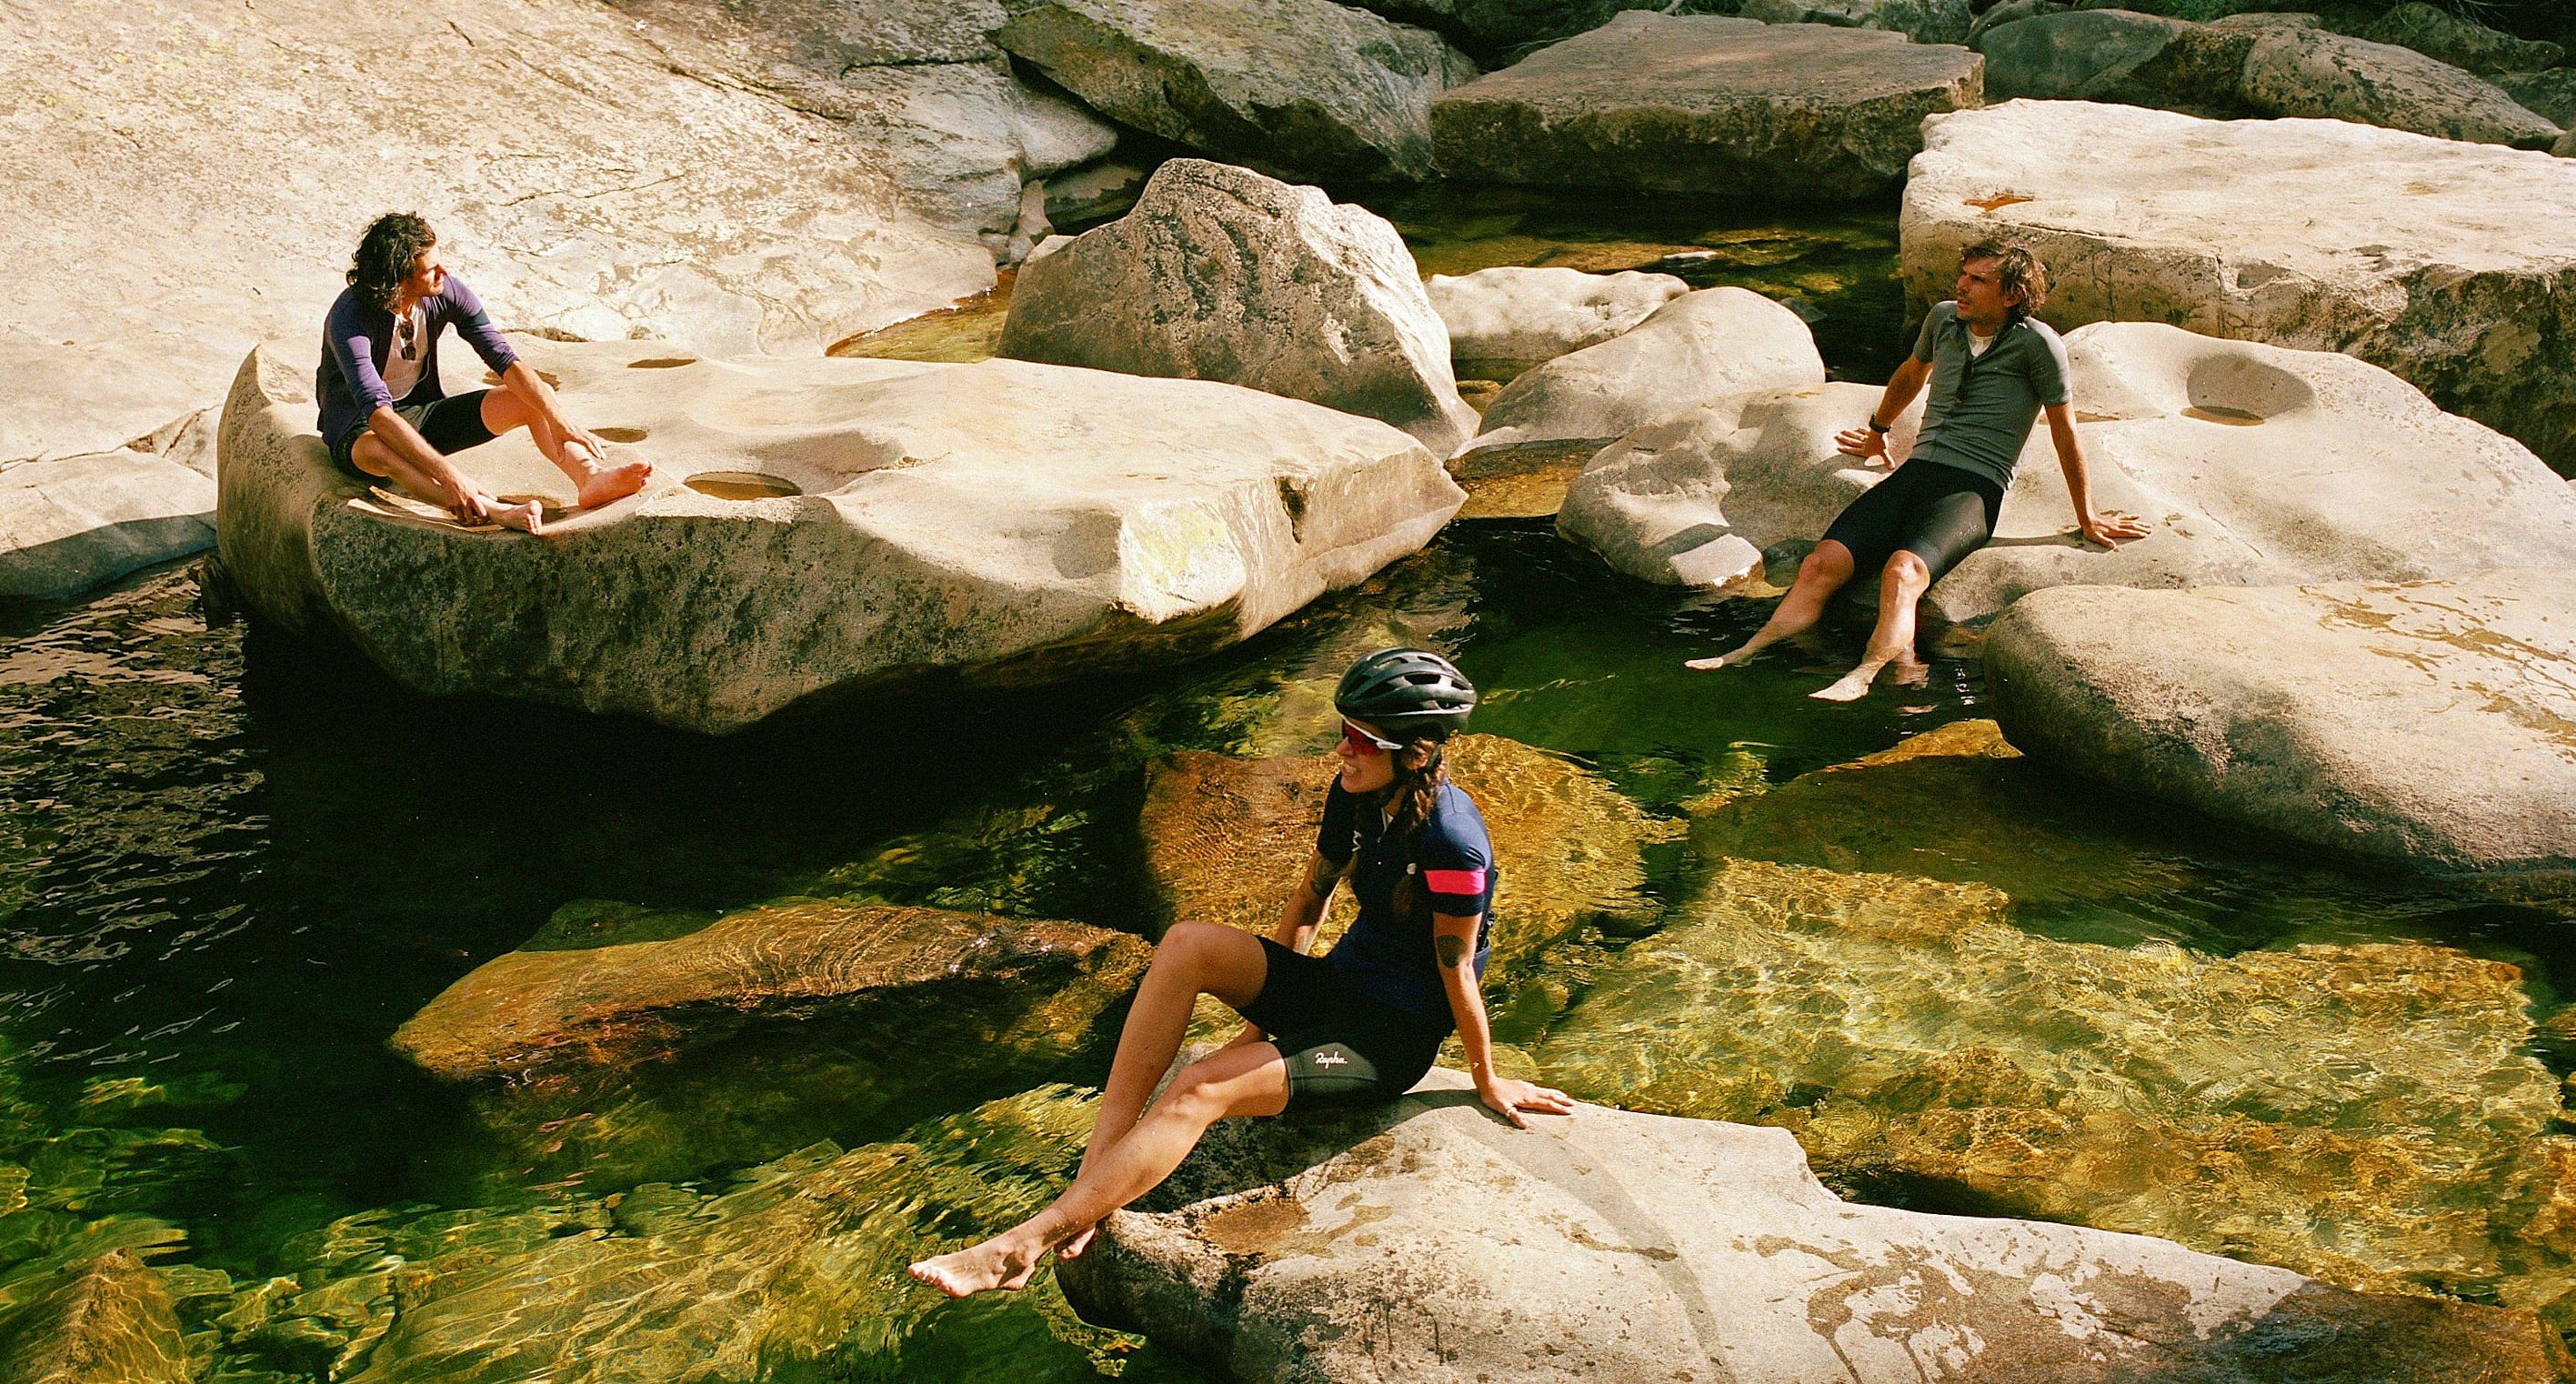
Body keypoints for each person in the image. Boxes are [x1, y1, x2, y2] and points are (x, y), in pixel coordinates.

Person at [911, 648, 1576, 1299]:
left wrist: (1487, 1080)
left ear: (1417, 754)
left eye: (1360, 740)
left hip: (1383, 1042)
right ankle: (1094, 1178)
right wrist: (1262, 1021)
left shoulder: (1453, 846)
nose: (1342, 750)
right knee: (1187, 943)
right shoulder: (1355, 795)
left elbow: (1457, 974)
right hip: (1334, 990)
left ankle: (1018, 1246)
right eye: (1342, 732)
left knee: (1201, 1087)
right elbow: (1310, 904)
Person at [1688, 239, 2148, 702]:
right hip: (1916, 471)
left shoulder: (2038, 345)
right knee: (1819, 563)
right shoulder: (1944, 319)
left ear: (2011, 295)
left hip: (1974, 487)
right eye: (1963, 274)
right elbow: (1912, 373)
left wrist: (2086, 516)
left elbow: (2064, 430)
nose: (1961, 286)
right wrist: (1877, 431)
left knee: (1902, 572)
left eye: (1978, 280)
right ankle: (1749, 648)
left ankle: (1864, 674)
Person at [315, 212, 651, 535]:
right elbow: (377, 413)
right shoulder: (350, 319)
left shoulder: (446, 292)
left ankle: (589, 478)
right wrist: (450, 477)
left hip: (420, 416)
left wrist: (558, 417)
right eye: (431, 269)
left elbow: (505, 360)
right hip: (359, 433)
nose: (443, 272)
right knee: (379, 451)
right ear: (400, 279)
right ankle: (493, 510)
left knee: (529, 398)